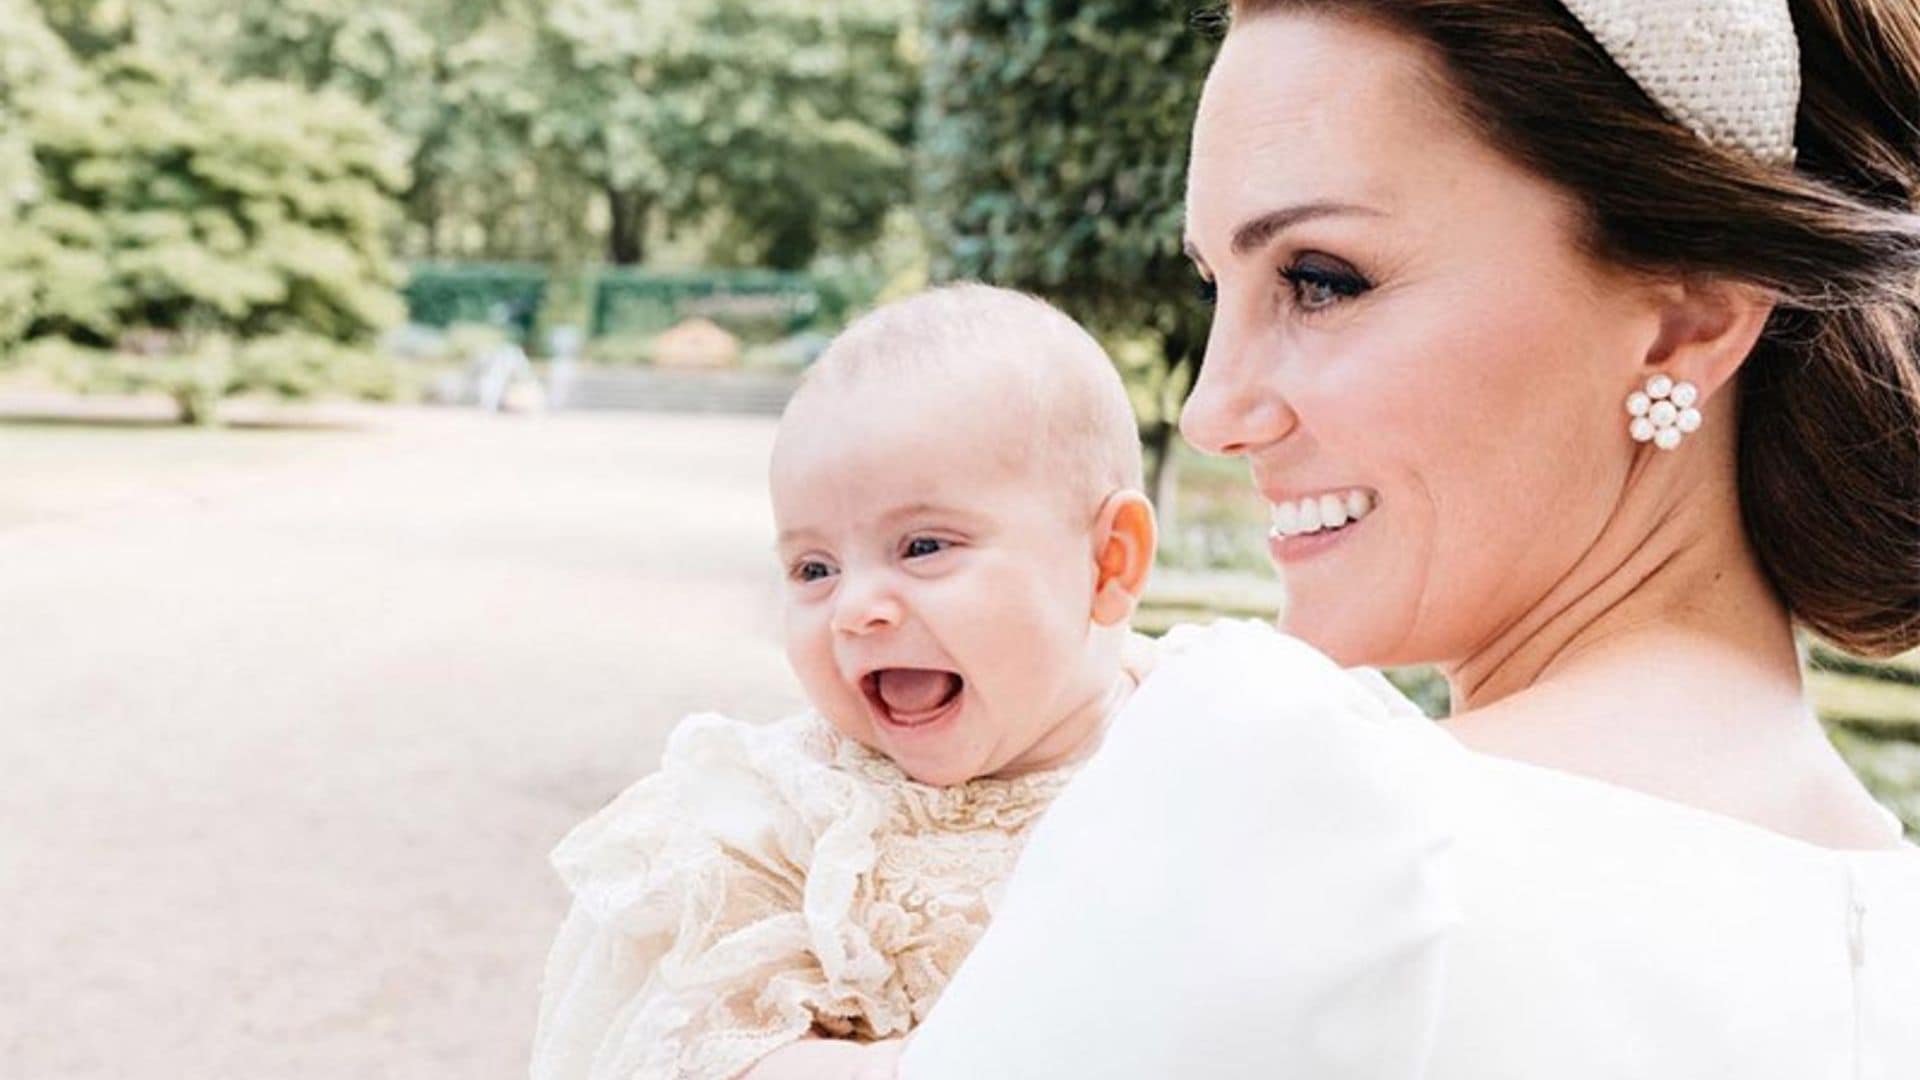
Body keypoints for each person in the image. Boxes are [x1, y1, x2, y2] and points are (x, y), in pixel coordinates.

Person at [900, 1, 1920, 1076]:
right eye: (1218, 287)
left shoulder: (1305, 827)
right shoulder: (1891, 937)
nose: (1211, 410)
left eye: (1322, 280)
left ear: (1691, 318)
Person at [528, 284, 1165, 1080]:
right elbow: (704, 1050)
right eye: (814, 568)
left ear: (1110, 560)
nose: (856, 609)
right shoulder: (785, 817)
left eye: (924, 546)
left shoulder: (1207, 739)